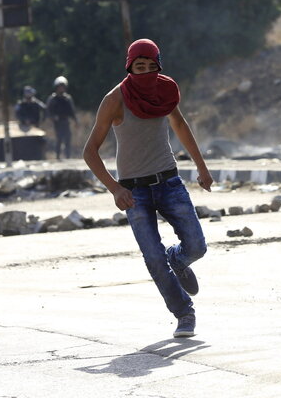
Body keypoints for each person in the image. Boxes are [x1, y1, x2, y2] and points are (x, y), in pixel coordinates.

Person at [83, 38, 213, 338]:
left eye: (150, 66)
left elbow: (180, 127)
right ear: (129, 67)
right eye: (138, 67)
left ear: (158, 66)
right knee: (153, 259)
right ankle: (184, 313)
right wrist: (115, 188)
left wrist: (202, 168)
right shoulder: (114, 100)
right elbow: (90, 151)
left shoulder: (165, 90)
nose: (145, 72)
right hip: (134, 192)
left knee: (197, 246)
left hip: (169, 181)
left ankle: (178, 261)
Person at [46, 76, 77, 159]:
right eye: (60, 87)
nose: (61, 89)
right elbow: (48, 111)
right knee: (59, 138)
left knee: (68, 138)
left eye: (63, 87)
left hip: (66, 121)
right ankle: (58, 157)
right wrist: (52, 117)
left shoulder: (67, 98)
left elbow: (72, 111)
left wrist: (76, 121)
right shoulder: (52, 99)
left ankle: (68, 157)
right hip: (57, 122)